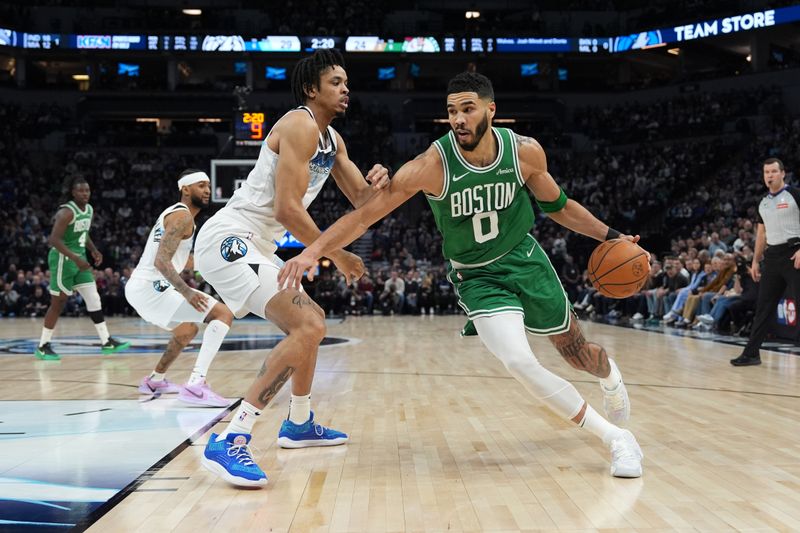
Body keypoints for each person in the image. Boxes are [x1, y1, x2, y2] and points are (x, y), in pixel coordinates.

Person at [280, 72, 644, 478]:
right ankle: (616, 438)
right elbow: (364, 217)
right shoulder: (430, 166)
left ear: (491, 109)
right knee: (518, 361)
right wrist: (312, 252)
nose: (458, 118)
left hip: (525, 259)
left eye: (467, 109)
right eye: (451, 111)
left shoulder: (525, 152)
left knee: (578, 355)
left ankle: (610, 377)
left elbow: (559, 206)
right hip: (477, 278)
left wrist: (611, 235)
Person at [193, 49, 390, 487]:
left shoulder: (333, 141)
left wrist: (383, 180)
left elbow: (363, 201)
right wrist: (335, 253)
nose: (345, 89)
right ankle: (232, 437)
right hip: (230, 237)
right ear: (311, 89)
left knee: (313, 322)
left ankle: (298, 422)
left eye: (346, 83)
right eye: (336, 82)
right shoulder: (299, 124)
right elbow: (285, 209)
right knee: (306, 324)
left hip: (258, 245)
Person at [125, 170, 234, 406]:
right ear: (185, 189)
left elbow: (178, 259)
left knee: (187, 331)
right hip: (150, 287)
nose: (207, 190)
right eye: (201, 185)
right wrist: (188, 292)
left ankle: (155, 380)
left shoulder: (177, 215)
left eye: (208, 186)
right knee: (222, 314)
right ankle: (196, 385)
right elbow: (161, 262)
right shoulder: (182, 217)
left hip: (142, 287)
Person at [34, 176, 130, 361]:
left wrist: (93, 250)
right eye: (81, 191)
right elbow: (53, 240)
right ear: (73, 192)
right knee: (58, 303)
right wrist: (76, 258)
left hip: (80, 259)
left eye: (87, 190)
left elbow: (83, 234)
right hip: (63, 259)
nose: (85, 194)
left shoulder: (89, 209)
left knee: (94, 299)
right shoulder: (66, 212)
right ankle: (43, 346)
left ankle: (106, 342)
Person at [731, 158, 800, 366]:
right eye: (766, 172)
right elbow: (761, 234)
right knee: (764, 307)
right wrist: (755, 262)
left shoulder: (795, 194)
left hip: (794, 253)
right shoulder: (763, 202)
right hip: (772, 257)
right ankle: (751, 353)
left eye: (773, 171)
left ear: (782, 173)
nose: (769, 175)